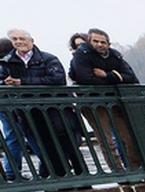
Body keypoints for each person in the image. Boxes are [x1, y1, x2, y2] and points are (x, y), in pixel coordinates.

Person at [3, 29, 86, 178]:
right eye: (15, 39)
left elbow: (57, 79)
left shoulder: (48, 58)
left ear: (31, 41)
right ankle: (60, 177)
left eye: (22, 38)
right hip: (28, 111)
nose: (18, 42)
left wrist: (22, 83)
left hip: (55, 110)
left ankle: (82, 175)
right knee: (46, 146)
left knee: (68, 144)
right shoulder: (7, 63)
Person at [69, 28, 141, 170]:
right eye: (95, 41)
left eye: (103, 42)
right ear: (89, 41)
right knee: (107, 141)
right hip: (93, 102)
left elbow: (130, 77)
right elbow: (85, 78)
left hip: (115, 101)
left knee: (130, 137)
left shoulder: (115, 55)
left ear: (108, 43)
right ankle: (118, 171)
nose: (100, 44)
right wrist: (116, 79)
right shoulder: (81, 55)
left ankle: (135, 169)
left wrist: (107, 76)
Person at [0, 37, 29, 182]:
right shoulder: (9, 62)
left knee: (13, 137)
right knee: (18, 136)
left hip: (6, 104)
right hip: (12, 104)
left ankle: (11, 172)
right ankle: (12, 171)